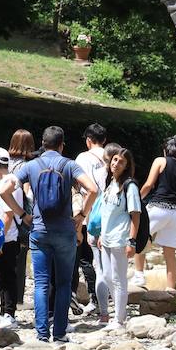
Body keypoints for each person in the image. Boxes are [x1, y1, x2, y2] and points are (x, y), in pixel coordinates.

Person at [17, 126, 98, 343]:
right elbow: (93, 189)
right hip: (65, 231)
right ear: (62, 145)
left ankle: (42, 334)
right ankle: (60, 333)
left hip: (39, 231)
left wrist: (22, 214)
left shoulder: (31, 166)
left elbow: (6, 188)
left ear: (42, 144)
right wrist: (81, 214)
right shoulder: (70, 165)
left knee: (41, 283)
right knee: (63, 283)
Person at [94, 145, 143, 328]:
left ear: (127, 166)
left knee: (119, 278)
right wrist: (100, 234)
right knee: (107, 276)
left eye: (121, 162)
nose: (116, 164)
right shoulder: (110, 183)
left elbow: (135, 215)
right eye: (115, 160)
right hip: (106, 238)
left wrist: (131, 240)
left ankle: (119, 319)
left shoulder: (129, 186)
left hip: (121, 238)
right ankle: (118, 312)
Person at [139, 136, 176, 291]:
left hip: (158, 208)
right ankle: (170, 290)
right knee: (170, 254)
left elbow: (149, 185)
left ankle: (138, 276)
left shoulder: (160, 161)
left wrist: (136, 199)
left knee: (139, 238)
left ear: (165, 150)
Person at [0, 147, 26, 328]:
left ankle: (10, 314)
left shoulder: (10, 182)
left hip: (8, 239)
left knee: (8, 276)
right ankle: (2, 312)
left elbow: (8, 216)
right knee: (0, 275)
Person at [72, 123, 108, 310]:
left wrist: (79, 214)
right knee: (104, 258)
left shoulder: (82, 158)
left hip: (89, 213)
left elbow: (80, 187)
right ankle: (104, 297)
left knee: (83, 257)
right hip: (109, 213)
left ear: (88, 140)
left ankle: (91, 297)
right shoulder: (113, 154)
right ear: (104, 140)